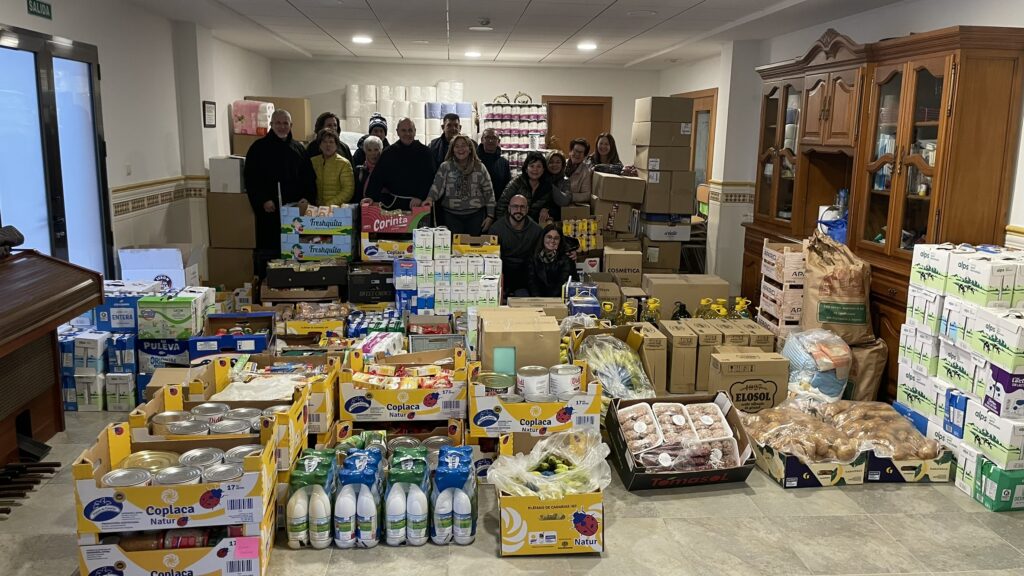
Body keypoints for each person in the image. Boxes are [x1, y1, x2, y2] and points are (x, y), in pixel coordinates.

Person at [244, 109, 316, 263]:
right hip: (270, 210)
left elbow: (309, 178)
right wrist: (263, 200)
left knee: (297, 250)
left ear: (291, 125)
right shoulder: (259, 148)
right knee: (271, 252)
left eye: (285, 123)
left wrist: (307, 198)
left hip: (295, 211)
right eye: (278, 123)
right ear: (271, 124)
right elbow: (251, 179)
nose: (282, 127)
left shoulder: (299, 148)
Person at [421, 134, 496, 235]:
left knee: (473, 247)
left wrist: (490, 215)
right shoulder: (445, 167)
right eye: (457, 146)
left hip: (476, 216)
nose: (460, 149)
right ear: (452, 150)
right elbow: (437, 187)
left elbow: (489, 192)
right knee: (454, 248)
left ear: (470, 149)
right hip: (451, 216)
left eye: (463, 145)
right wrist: (429, 199)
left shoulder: (480, 167)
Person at [364, 117, 435, 211]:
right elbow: (377, 177)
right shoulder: (388, 153)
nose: (407, 134)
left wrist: (420, 196)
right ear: (397, 132)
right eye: (403, 130)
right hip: (393, 205)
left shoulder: (426, 153)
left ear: (415, 131)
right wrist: (371, 197)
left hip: (419, 205)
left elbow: (431, 178)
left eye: (410, 130)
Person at [490, 194, 542, 298]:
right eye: (515, 206)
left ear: (527, 209)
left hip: (525, 276)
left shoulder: (536, 230)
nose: (518, 210)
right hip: (503, 273)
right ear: (509, 208)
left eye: (522, 207)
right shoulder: (496, 229)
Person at [494, 152, 557, 225]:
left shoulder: (547, 186)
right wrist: (508, 225)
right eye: (532, 166)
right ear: (526, 169)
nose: (535, 169)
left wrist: (546, 210)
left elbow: (552, 206)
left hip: (534, 227)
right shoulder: (516, 183)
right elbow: (501, 208)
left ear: (543, 169)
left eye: (539, 166)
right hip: (513, 225)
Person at [528, 224, 577, 297]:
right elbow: (532, 282)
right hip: (538, 299)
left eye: (556, 238)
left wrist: (550, 301)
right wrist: (538, 300)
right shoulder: (533, 257)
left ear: (560, 241)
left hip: (559, 298)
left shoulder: (567, 258)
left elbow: (563, 283)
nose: (552, 241)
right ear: (543, 238)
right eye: (549, 237)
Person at [310, 128, 355, 206]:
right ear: (320, 144)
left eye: (331, 142)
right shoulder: (313, 161)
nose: (328, 145)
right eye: (324, 142)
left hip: (336, 209)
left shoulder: (344, 163)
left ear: (336, 145)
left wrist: (328, 205)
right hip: (315, 209)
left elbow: (348, 190)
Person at [477, 128, 511, 198]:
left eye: (494, 138)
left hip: (497, 204)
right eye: (487, 137)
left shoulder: (504, 163)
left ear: (498, 141)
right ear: (482, 140)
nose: (490, 140)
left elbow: (507, 187)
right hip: (476, 205)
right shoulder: (473, 161)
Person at [565, 138, 593, 205]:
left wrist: (570, 196)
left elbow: (587, 195)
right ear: (570, 151)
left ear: (584, 156)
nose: (577, 154)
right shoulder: (561, 164)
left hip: (571, 207)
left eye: (580, 152)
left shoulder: (586, 172)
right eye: (575, 150)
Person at [354, 135, 383, 202]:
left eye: (376, 149)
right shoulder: (359, 171)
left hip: (379, 208)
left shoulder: (385, 171)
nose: (373, 153)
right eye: (369, 150)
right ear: (365, 151)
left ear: (381, 150)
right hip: (363, 208)